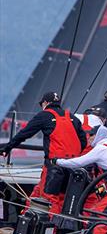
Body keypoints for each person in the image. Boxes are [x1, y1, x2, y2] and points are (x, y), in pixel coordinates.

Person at [0, 91, 86, 219]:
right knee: (53, 197)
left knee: (49, 200)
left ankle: (47, 233)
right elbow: (83, 140)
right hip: (73, 167)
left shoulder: (44, 115)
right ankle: (27, 224)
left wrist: (7, 148)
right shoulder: (73, 118)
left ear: (46, 103)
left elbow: (24, 134)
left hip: (54, 168)